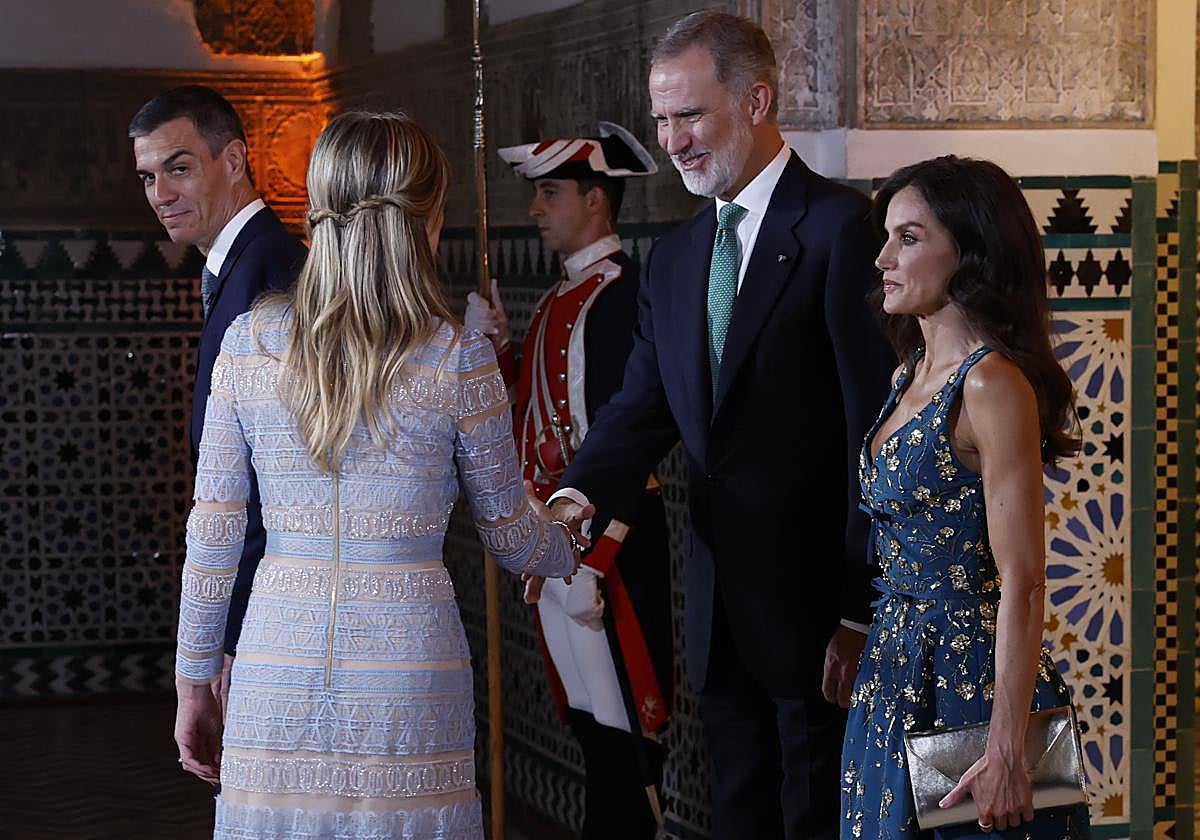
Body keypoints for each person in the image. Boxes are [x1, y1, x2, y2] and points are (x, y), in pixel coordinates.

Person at [171, 110, 584, 839]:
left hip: (276, 666)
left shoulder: (249, 342)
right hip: (407, 670)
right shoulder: (456, 355)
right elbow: (516, 542)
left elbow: (214, 533)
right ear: (428, 217)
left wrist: (193, 681)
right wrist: (572, 529)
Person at [544, 11, 896, 839]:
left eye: (690, 114)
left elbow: (871, 432)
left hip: (819, 616)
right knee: (741, 816)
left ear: (757, 98)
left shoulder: (845, 231)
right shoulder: (673, 258)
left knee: (817, 817)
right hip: (718, 613)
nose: (673, 138)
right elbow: (639, 411)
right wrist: (569, 505)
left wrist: (859, 607)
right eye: (662, 118)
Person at [840, 155, 1092, 839]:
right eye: (887, 236)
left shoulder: (991, 384)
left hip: (972, 687)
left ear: (970, 253)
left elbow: (1026, 577)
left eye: (910, 238)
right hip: (892, 672)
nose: (884, 258)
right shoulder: (908, 373)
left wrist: (1007, 746)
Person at [466, 122, 673, 839]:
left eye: (549, 193)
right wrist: (496, 350)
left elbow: (629, 445)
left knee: (627, 742)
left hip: (606, 551)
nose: (534, 209)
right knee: (590, 730)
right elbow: (536, 415)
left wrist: (598, 557)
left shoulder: (623, 299)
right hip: (555, 550)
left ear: (595, 199)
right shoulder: (563, 297)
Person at [130, 85, 307, 708]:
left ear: (232, 161)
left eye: (179, 169)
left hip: (271, 615)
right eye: (149, 177)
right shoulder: (241, 267)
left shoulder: (270, 273)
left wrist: (230, 638)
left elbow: (272, 479)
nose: (161, 195)